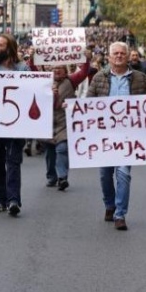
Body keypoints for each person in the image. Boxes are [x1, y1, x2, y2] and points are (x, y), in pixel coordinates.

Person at [86, 41, 146, 230]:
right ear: (109, 57)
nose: (119, 56)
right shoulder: (99, 78)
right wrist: (73, 108)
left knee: (123, 174)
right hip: (104, 136)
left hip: (128, 136)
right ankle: (109, 205)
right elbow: (88, 103)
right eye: (116, 53)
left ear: (128, 55)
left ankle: (120, 214)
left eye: (123, 53)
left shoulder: (140, 78)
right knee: (105, 175)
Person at [0, 33, 30, 216]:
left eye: (0, 45)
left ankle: (13, 200)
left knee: (13, 162)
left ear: (9, 49)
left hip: (15, 125)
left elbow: (30, 93)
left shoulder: (23, 69)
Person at [43, 55, 92, 192]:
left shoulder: (71, 80)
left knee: (62, 148)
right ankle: (51, 176)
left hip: (64, 121)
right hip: (48, 122)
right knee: (50, 152)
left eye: (59, 68)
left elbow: (84, 72)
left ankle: (62, 177)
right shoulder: (44, 82)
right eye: (54, 68)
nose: (56, 70)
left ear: (65, 71)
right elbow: (31, 72)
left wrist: (85, 58)